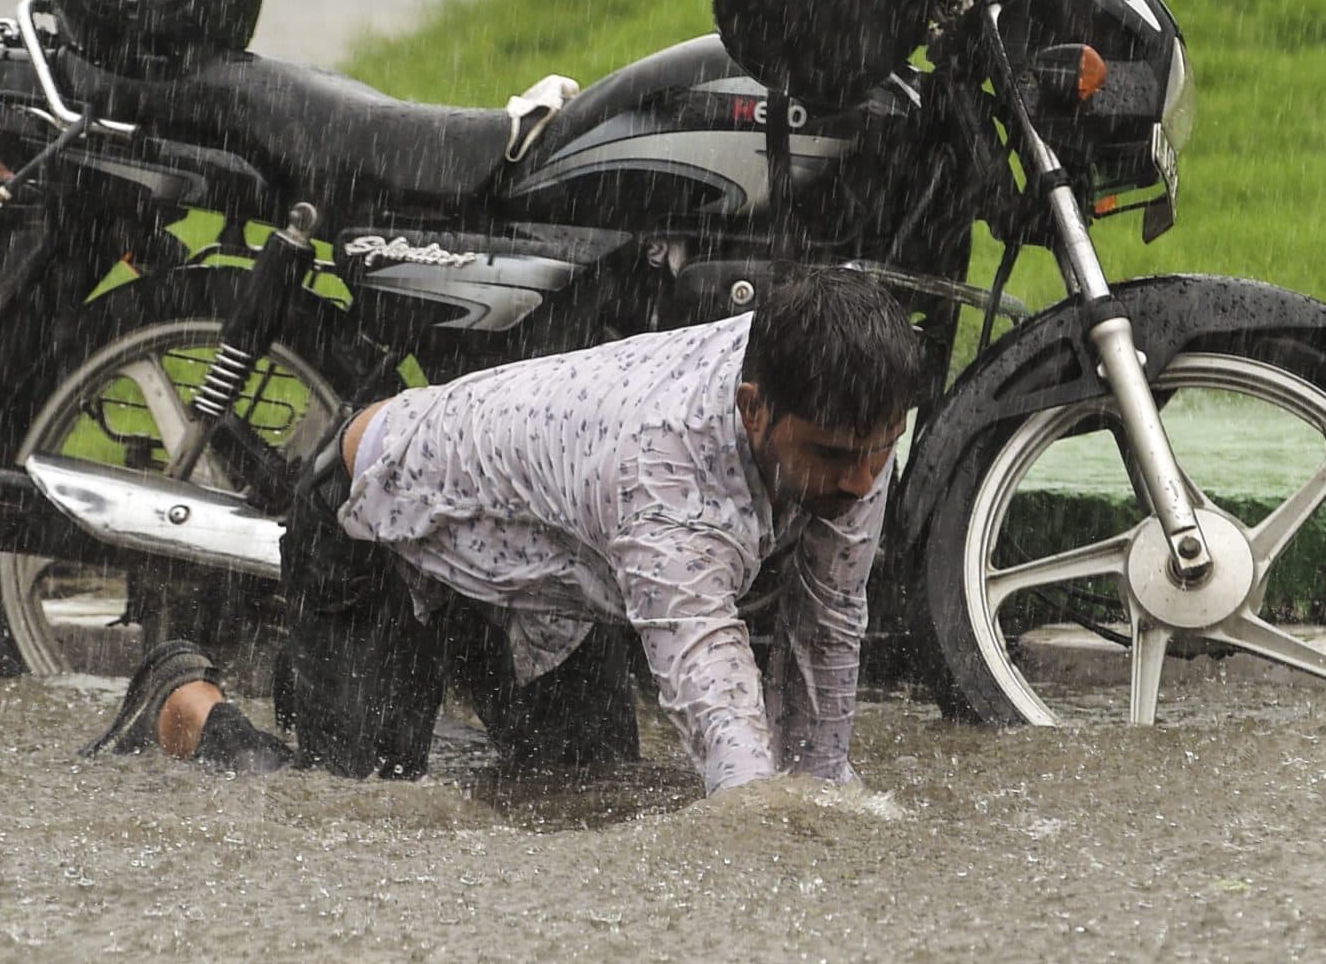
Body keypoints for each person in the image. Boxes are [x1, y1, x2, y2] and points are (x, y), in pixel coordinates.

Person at [83, 264, 921, 795]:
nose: (859, 482)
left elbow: (827, 625)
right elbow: (716, 697)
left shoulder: (853, 405)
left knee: (584, 793)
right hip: (380, 533)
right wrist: (768, 828)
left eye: (880, 452)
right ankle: (183, 703)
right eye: (835, 456)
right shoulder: (663, 473)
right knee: (350, 808)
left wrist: (825, 797)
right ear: (753, 407)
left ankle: (410, 709)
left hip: (544, 582)